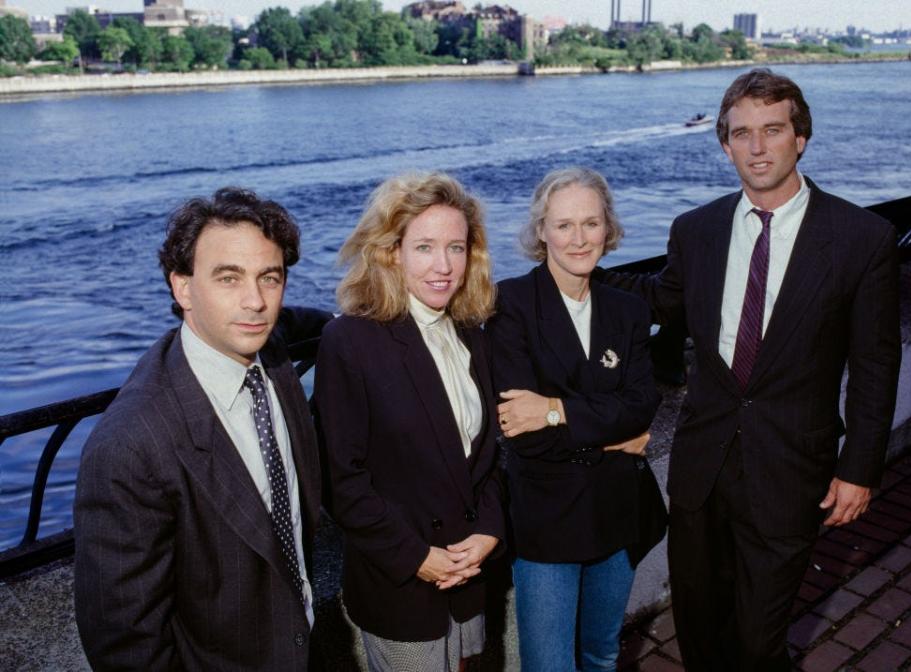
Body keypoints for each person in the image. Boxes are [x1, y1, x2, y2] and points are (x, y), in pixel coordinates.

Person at [603, 68, 901, 669]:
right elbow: (660, 299)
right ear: (725, 145)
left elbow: (875, 362)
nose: (757, 147)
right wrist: (569, 272)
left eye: (772, 130)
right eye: (742, 133)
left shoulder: (861, 238)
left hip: (793, 469)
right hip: (703, 467)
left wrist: (859, 468)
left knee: (760, 638)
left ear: (801, 137)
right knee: (699, 626)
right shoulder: (697, 230)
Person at [74, 188, 332, 670]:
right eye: (228, 278)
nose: (255, 301)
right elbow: (126, 644)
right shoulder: (130, 445)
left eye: (269, 278)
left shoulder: (269, 354)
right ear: (183, 288)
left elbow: (296, 322)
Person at [314, 172, 504, 672]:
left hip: (466, 575)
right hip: (399, 583)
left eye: (456, 248)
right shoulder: (350, 341)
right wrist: (417, 556)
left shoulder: (470, 332)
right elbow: (341, 481)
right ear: (391, 252)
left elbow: (486, 457)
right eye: (424, 247)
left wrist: (488, 530)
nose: (443, 266)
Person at [485, 167, 662, 672]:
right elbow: (524, 438)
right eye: (563, 225)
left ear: (609, 228)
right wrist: (614, 440)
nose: (579, 238)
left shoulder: (627, 309)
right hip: (546, 518)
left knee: (601, 655)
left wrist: (554, 408)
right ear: (541, 230)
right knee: (549, 666)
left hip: (617, 511)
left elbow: (643, 403)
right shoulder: (510, 304)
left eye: (591, 223)